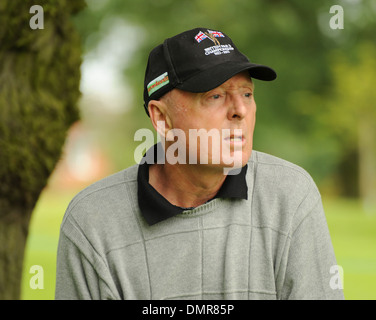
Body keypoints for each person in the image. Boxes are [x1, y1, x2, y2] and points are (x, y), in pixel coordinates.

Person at [55, 27, 344, 300]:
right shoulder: (92, 221)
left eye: (246, 94)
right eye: (215, 96)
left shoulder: (291, 195)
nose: (240, 111)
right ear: (161, 119)